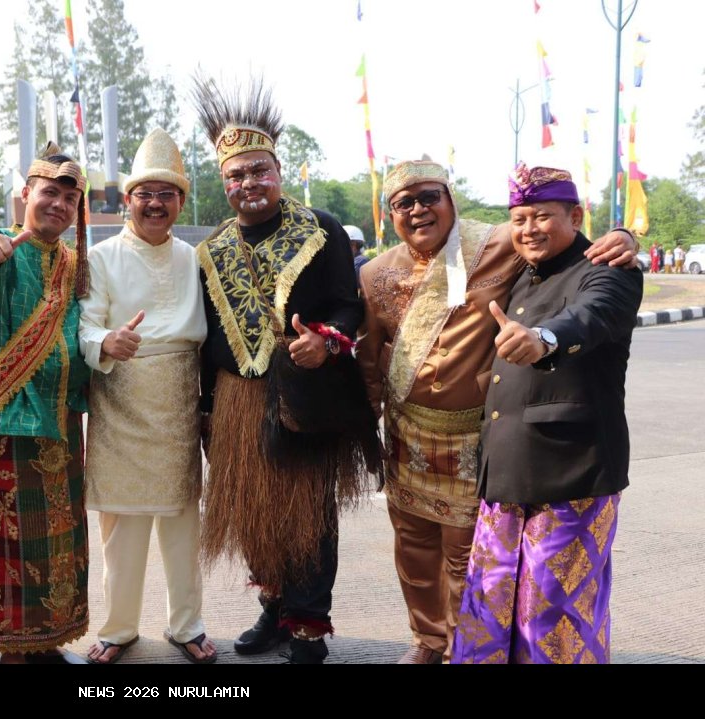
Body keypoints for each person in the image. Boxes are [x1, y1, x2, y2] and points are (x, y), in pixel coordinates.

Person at [356, 160, 638, 663]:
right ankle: (429, 641)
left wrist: (623, 236)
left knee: (527, 595)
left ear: (451, 201)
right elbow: (369, 356)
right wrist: (363, 430)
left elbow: (592, 304)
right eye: (404, 203)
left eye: (429, 197)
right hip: (444, 445)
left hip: (513, 451)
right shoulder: (376, 273)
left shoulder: (499, 246)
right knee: (468, 583)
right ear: (390, 214)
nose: (418, 210)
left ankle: (455, 647)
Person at [192, 76, 381, 664]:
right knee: (252, 512)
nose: (248, 183)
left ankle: (308, 629)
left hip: (302, 392)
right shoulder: (212, 249)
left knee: (305, 516)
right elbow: (207, 335)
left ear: (278, 170)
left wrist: (326, 342)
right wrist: (205, 407)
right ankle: (274, 610)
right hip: (235, 398)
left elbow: (349, 305)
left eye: (258, 170)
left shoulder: (320, 229)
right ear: (224, 183)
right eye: (236, 175)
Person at [451, 165, 642, 664]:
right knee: (488, 611)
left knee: (551, 619)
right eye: (519, 219)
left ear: (575, 217)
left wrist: (544, 339)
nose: (529, 229)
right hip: (505, 473)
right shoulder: (519, 271)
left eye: (542, 216)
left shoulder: (609, 270)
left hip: (570, 476)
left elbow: (591, 314)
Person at [79, 128, 215, 665]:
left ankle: (187, 625)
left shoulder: (196, 258)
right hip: (121, 397)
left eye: (166, 194)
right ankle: (118, 629)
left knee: (183, 523)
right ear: (128, 200)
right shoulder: (101, 256)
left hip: (178, 397)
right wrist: (106, 341)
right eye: (145, 194)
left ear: (180, 201)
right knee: (122, 527)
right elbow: (85, 325)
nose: (155, 204)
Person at [0, 145, 92, 664]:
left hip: (61, 419)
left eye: (69, 198)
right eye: (49, 192)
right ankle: (11, 650)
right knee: (5, 543)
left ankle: (48, 639)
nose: (59, 204)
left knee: (57, 537)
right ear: (26, 194)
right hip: (6, 422)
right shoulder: (0, 244)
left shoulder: (74, 264)